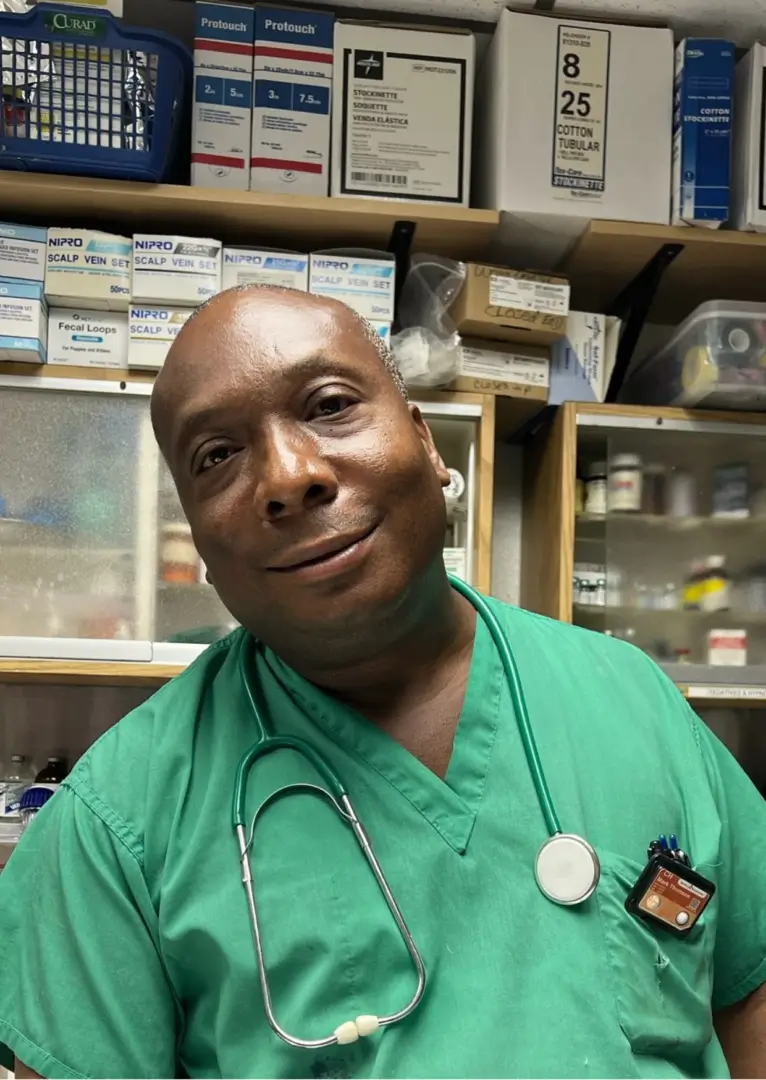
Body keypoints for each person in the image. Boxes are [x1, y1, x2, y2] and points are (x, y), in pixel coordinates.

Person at [1, 284, 766, 1080]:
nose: (288, 477)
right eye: (217, 456)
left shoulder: (629, 695)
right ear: (198, 538)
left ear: (430, 447)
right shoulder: (114, 822)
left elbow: (750, 991)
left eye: (329, 405)